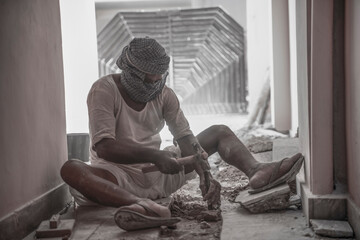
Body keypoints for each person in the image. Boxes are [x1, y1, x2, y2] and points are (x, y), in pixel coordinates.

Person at [60, 37, 303, 231]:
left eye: (159, 80)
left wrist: (203, 170)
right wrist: (155, 157)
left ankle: (256, 171)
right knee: (71, 169)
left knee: (219, 132)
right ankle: (140, 206)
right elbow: (104, 147)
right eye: (149, 81)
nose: (155, 87)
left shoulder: (165, 94)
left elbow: (186, 139)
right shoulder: (103, 90)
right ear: (131, 73)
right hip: (116, 177)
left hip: (160, 174)